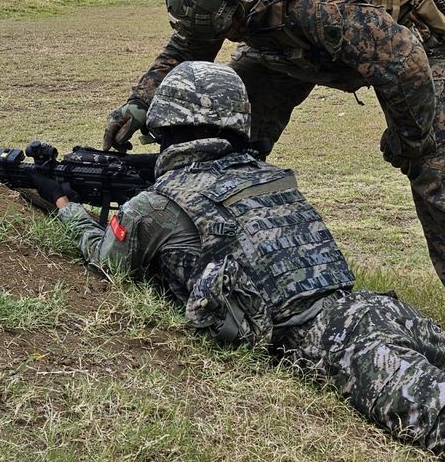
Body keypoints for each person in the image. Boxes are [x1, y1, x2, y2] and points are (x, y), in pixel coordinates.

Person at [34, 62, 445, 454]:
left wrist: (63, 204)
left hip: (334, 343)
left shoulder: (156, 205)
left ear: (164, 123)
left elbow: (107, 261)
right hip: (378, 309)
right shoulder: (267, 175)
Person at [102, 0, 445, 285]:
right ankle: (195, 243)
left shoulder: (317, 2)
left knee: (433, 167)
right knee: (220, 135)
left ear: (245, 2)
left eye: (228, 28)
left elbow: (405, 60)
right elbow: (189, 44)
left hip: (424, 43)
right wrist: (139, 103)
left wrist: (410, 139)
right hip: (296, 45)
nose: (225, 36)